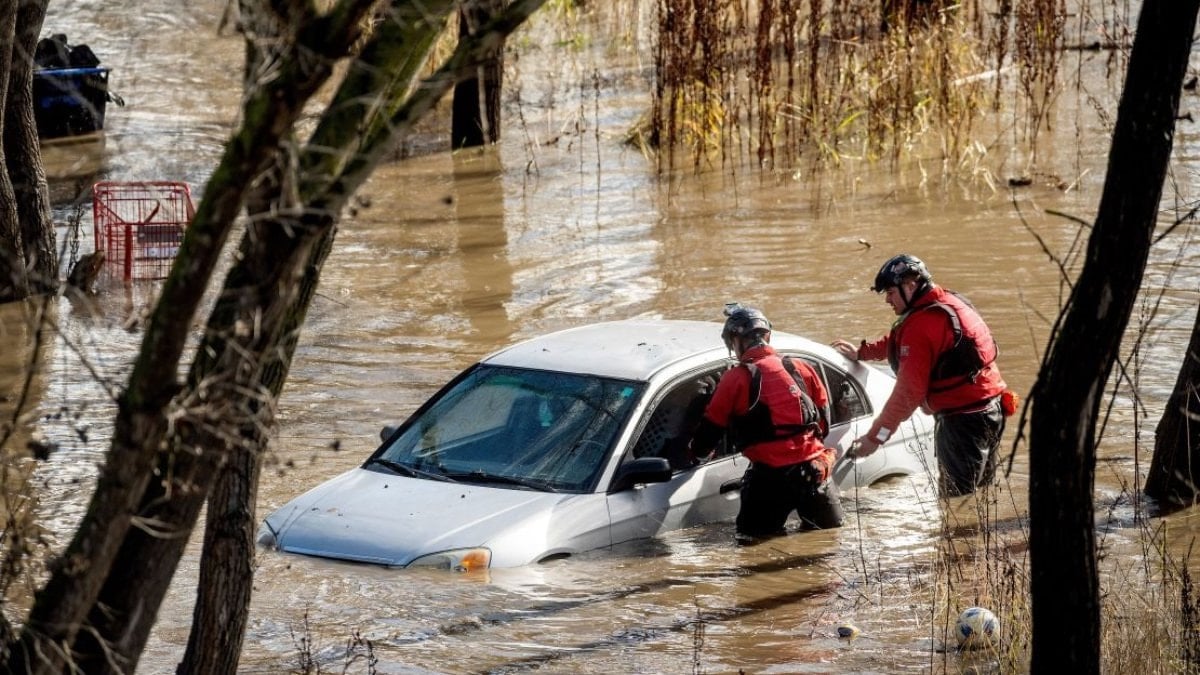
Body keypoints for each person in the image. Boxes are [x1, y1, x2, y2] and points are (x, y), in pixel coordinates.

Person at [832, 254, 1012, 496]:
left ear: (910, 285)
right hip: (992, 409)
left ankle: (963, 534)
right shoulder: (948, 302)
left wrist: (874, 439)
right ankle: (983, 534)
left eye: (891, 292)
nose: (887, 299)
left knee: (956, 501)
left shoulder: (923, 323)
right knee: (981, 495)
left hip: (962, 421)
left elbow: (908, 394)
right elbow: (904, 340)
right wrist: (863, 352)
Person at [689, 304, 843, 541]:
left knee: (752, 550)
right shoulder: (801, 367)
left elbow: (710, 429)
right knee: (829, 545)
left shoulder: (735, 379)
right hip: (815, 471)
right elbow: (823, 423)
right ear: (767, 336)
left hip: (769, 481)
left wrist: (695, 456)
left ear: (735, 341)